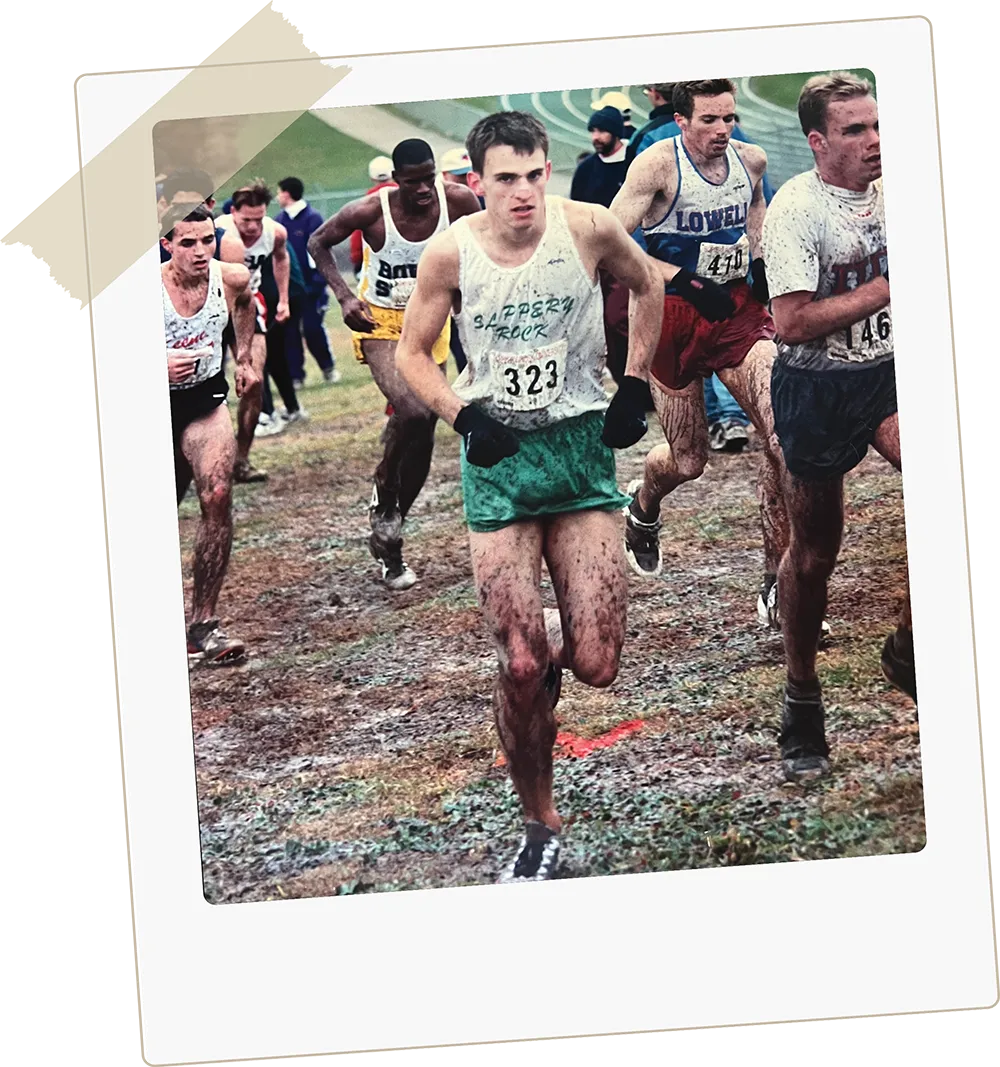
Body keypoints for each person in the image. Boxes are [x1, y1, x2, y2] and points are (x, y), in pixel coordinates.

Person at [395, 111, 662, 883]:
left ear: (550, 170)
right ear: (477, 182)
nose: (522, 193)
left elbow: (648, 287)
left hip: (579, 452)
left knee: (597, 663)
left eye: (534, 175)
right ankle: (539, 825)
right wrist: (463, 415)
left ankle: (542, 647)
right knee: (518, 665)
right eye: (505, 178)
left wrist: (636, 381)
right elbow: (413, 353)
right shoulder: (452, 251)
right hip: (500, 458)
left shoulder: (589, 227)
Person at [761, 72, 914, 781]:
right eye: (855, 131)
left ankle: (914, 642)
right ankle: (801, 696)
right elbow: (790, 322)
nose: (874, 141)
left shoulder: (903, 183)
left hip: (887, 374)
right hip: (816, 388)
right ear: (819, 143)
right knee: (816, 554)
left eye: (876, 125)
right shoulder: (798, 209)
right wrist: (886, 287)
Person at [609, 79, 789, 634]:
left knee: (784, 436)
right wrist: (681, 277)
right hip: (672, 320)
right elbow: (612, 244)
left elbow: (756, 206)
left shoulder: (750, 160)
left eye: (729, 118)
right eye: (709, 120)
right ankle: (642, 507)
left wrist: (759, 259)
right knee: (688, 461)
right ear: (680, 121)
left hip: (735, 315)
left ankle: (779, 584)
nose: (722, 131)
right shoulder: (657, 167)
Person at [308, 139, 482, 591]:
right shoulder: (370, 210)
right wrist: (344, 296)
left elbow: (486, 241)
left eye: (430, 178)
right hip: (379, 321)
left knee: (423, 432)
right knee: (415, 410)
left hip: (429, 321)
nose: (425, 189)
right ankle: (385, 489)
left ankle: (391, 527)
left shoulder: (459, 200)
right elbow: (317, 242)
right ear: (395, 179)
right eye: (413, 182)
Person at [160, 203, 258, 665]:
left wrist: (244, 357)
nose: (200, 252)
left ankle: (204, 625)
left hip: (204, 402)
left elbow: (245, 303)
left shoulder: (230, 277)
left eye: (206, 240)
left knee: (218, 494)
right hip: (145, 409)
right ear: (165, 244)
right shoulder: (139, 290)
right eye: (187, 243)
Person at [217, 180, 293, 480]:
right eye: (246, 219)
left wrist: (284, 298)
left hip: (249, 306)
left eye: (258, 219)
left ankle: (242, 459)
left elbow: (281, 257)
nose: (251, 226)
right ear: (234, 212)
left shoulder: (275, 232)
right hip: (212, 306)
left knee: (254, 381)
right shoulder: (218, 232)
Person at [274, 176, 341, 387]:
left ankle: (328, 368)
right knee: (290, 334)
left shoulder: (312, 218)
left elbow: (319, 250)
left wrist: (317, 281)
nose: (277, 197)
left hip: (312, 287)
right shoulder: (279, 221)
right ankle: (296, 376)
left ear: (287, 193)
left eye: (279, 192)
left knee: (313, 329)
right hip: (290, 288)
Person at [569, 106, 628, 208]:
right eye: (593, 131)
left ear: (616, 133)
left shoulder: (634, 161)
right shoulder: (585, 168)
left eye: (601, 131)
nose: (595, 137)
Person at [350, 156, 397, 276]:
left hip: (375, 264)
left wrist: (357, 259)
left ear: (372, 177)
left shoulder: (364, 202)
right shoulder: (407, 197)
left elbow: (357, 237)